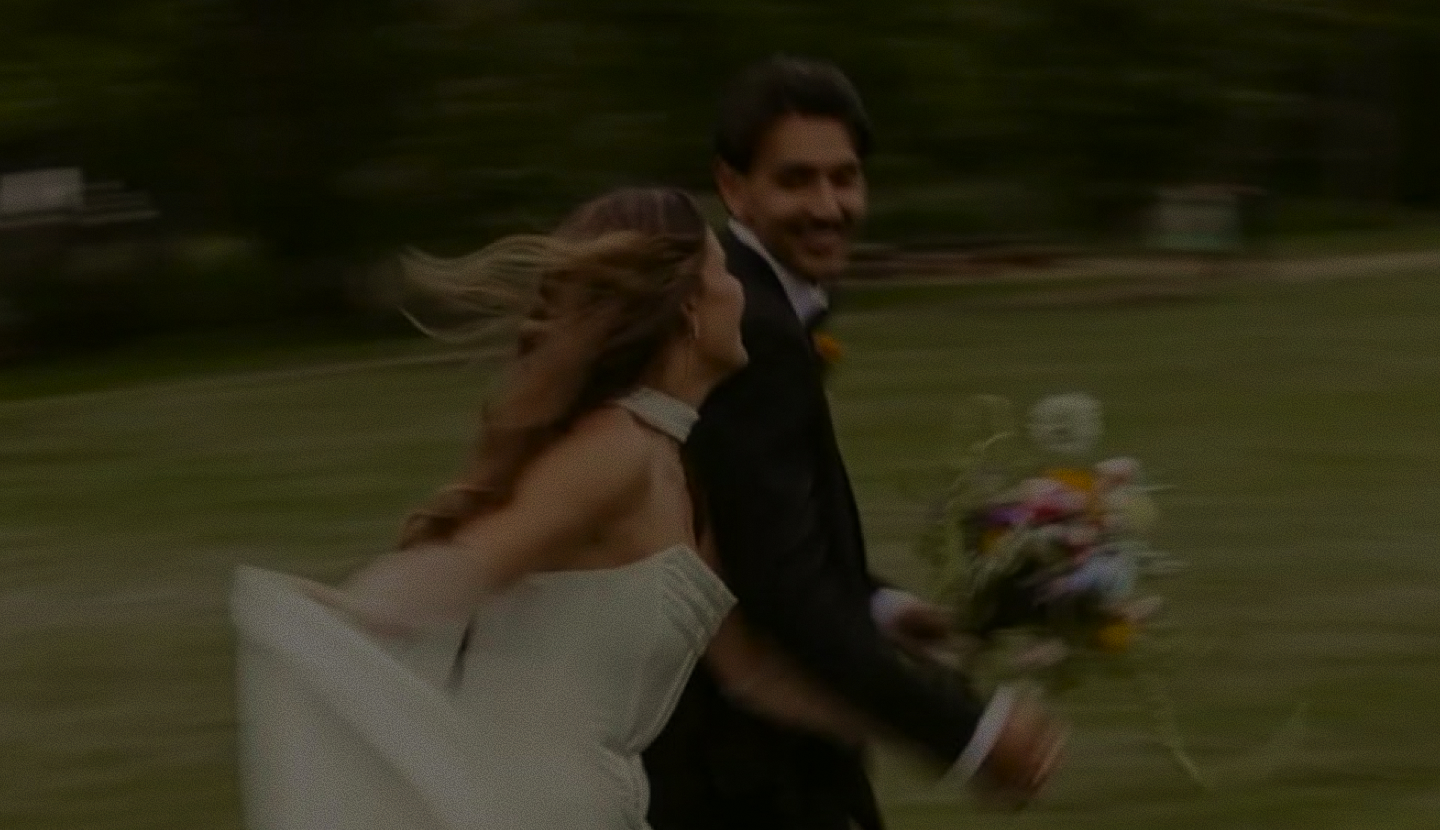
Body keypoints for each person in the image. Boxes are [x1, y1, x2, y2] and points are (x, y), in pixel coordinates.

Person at [229, 186, 885, 830]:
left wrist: (905, 711)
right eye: (723, 270)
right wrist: (362, 613)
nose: (742, 289)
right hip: (525, 808)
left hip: (598, 805)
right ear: (688, 306)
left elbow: (748, 672)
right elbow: (476, 561)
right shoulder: (615, 450)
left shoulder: (680, 467)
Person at [642, 57, 1068, 830]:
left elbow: (751, 525)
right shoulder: (751, 329)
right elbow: (782, 594)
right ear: (733, 186)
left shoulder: (758, 299)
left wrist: (879, 603)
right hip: (742, 773)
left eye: (845, 178)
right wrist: (971, 732)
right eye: (797, 180)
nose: (829, 205)